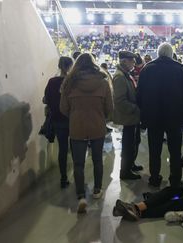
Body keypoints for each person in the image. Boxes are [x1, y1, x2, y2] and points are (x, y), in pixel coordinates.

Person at [60, 53, 113, 213]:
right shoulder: (103, 82)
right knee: (98, 160)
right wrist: (99, 115)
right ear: (93, 63)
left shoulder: (69, 82)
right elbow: (109, 108)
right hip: (97, 126)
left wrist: (75, 115)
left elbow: (63, 108)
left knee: (78, 163)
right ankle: (97, 190)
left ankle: (81, 195)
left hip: (77, 126)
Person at [136, 43, 183, 187]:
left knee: (154, 151)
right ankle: (175, 179)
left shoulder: (147, 69)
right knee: (175, 151)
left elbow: (139, 95)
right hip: (175, 118)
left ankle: (154, 178)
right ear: (171, 53)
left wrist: (145, 114)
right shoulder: (180, 70)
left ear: (158, 53)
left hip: (153, 118)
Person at [43, 56, 73, 188]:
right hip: (73, 119)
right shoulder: (72, 82)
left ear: (60, 66)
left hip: (58, 120)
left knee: (63, 149)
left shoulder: (52, 81)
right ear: (70, 66)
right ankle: (78, 175)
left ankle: (63, 178)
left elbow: (45, 100)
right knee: (77, 148)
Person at [112, 51, 143, 180]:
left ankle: (130, 164)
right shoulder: (119, 77)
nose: (134, 63)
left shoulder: (126, 74)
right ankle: (125, 171)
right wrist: (136, 108)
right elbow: (120, 101)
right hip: (129, 117)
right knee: (128, 145)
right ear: (124, 61)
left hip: (132, 117)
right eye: (132, 61)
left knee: (134, 142)